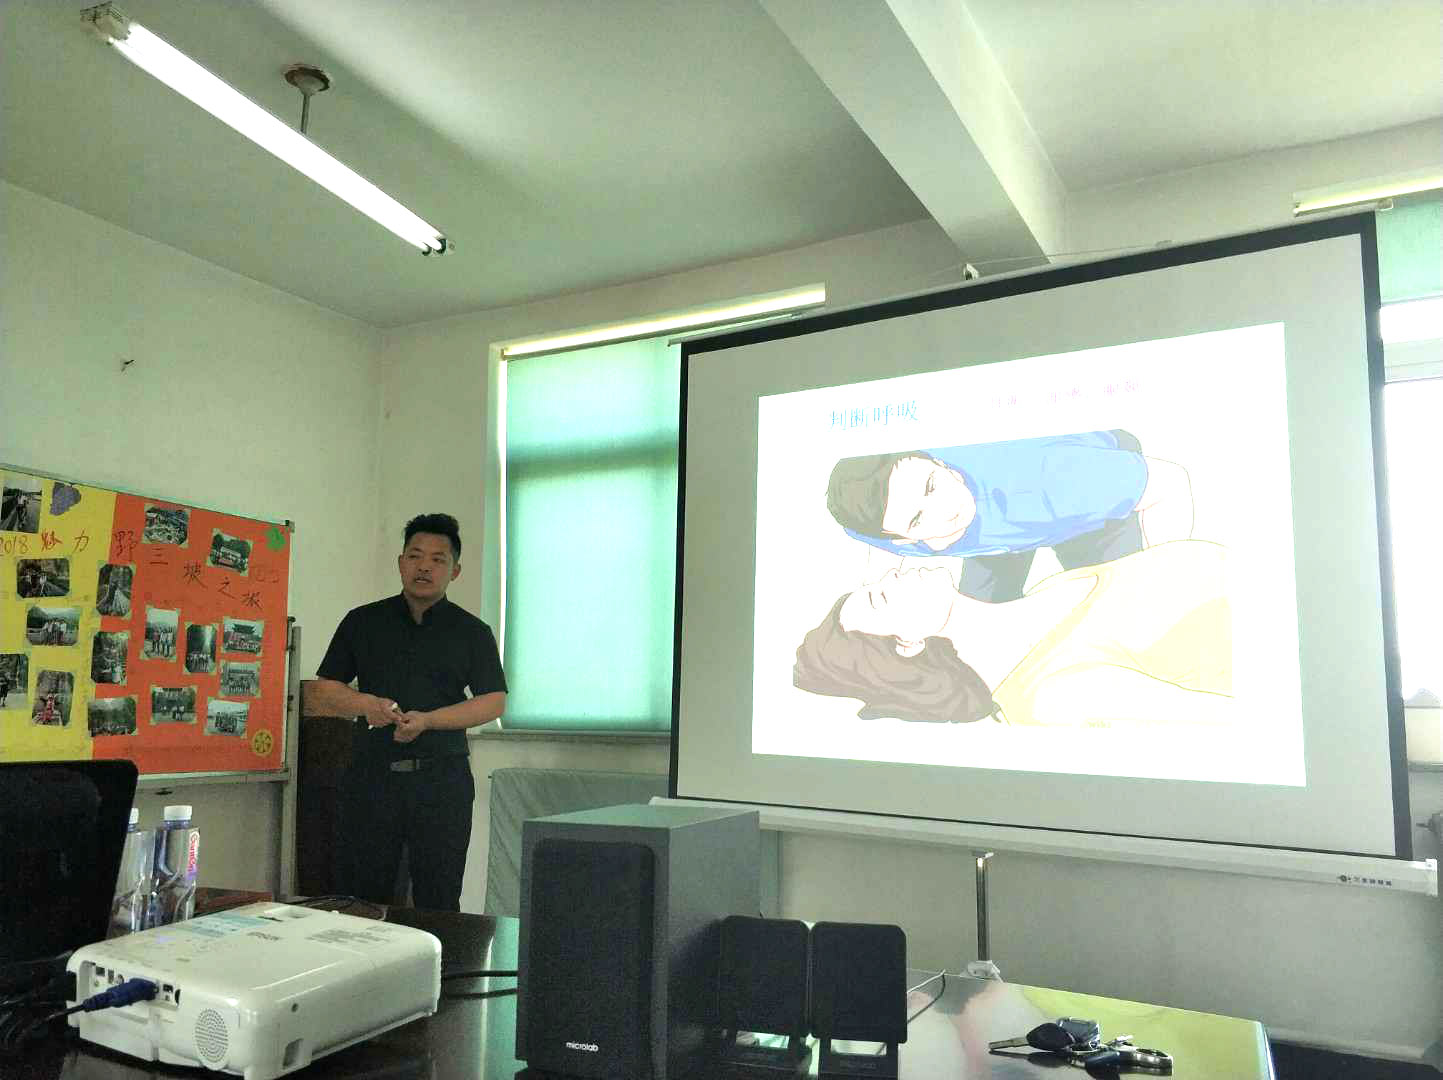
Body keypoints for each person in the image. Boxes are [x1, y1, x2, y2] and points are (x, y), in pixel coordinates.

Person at [793, 540, 1231, 729]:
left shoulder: (1047, 589)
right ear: (907, 645)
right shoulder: (1053, 698)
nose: (891, 573)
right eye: (880, 597)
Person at [311, 513, 507, 911]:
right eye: (415, 556)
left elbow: (493, 701)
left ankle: (439, 955)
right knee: (362, 895)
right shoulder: (362, 621)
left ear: (455, 571)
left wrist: (429, 721)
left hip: (442, 781)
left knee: (439, 894)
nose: (424, 566)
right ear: (401, 563)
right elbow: (323, 691)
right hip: (371, 778)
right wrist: (366, 704)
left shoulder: (472, 632)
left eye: (437, 559)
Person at [825, 431, 1194, 602]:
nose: (946, 510)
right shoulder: (871, 516)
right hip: (997, 533)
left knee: (1119, 602)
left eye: (932, 486)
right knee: (982, 623)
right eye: (917, 520)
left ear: (942, 465)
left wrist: (1164, 580)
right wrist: (876, 583)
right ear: (903, 538)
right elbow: (882, 542)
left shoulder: (1053, 480)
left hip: (1076, 496)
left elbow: (1170, 483)